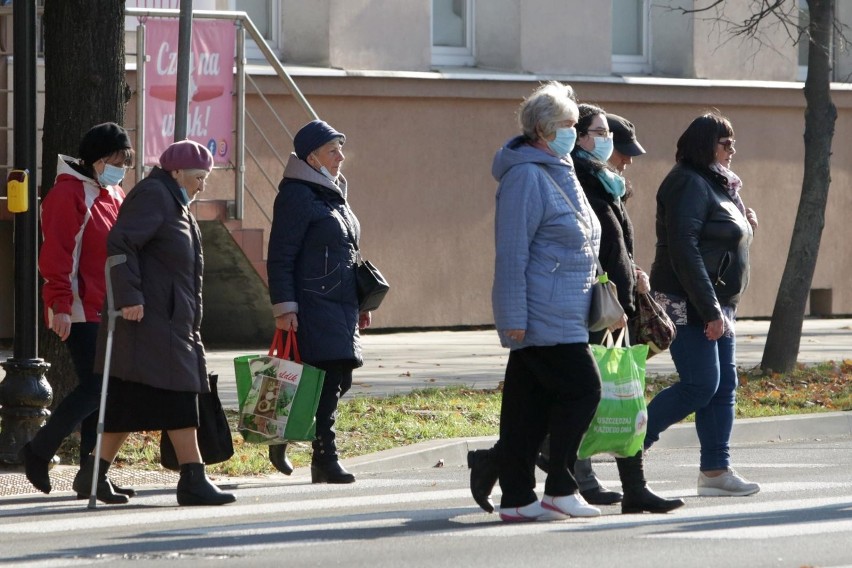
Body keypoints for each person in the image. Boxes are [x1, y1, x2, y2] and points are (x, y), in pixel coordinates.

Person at [469, 81, 613, 522]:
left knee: (526, 410)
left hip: (565, 309)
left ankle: (516, 496)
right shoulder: (527, 176)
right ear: (545, 130)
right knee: (584, 390)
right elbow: (511, 252)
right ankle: (560, 488)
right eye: (570, 125)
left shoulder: (560, 169)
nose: (577, 133)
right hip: (542, 314)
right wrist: (512, 319)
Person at [75, 139, 236, 507]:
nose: (202, 184)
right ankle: (193, 478)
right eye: (198, 176)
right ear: (176, 171)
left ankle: (93, 474)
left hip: (166, 321)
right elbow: (120, 245)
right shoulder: (155, 196)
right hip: (151, 321)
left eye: (206, 177)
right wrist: (129, 297)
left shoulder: (175, 202)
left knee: (128, 402)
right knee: (179, 395)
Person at [566, 104, 684, 514]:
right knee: (591, 396)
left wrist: (631, 271)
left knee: (624, 393)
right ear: (582, 136)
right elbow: (585, 246)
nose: (621, 153)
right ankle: (560, 473)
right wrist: (611, 287)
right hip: (596, 307)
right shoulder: (578, 178)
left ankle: (633, 488)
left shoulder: (605, 183)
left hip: (617, 303)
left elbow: (614, 245)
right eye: (603, 135)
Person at [645, 111, 759, 497]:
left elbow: (713, 233)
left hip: (717, 300)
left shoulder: (717, 183)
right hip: (688, 301)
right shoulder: (687, 183)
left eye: (732, 144)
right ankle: (630, 442)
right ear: (704, 144)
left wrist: (742, 225)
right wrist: (709, 310)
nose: (732, 150)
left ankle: (715, 472)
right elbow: (683, 248)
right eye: (725, 143)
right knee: (700, 385)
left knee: (724, 384)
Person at [20, 122, 135, 499]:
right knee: (99, 387)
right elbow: (57, 255)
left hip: (108, 307)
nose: (121, 168)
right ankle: (40, 450)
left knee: (103, 391)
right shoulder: (67, 194)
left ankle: (92, 473)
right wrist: (60, 304)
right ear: (96, 159)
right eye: (116, 160)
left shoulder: (112, 191)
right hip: (82, 307)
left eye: (125, 161)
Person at [266, 119, 371, 484]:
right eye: (332, 150)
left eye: (340, 149)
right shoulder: (296, 195)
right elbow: (280, 255)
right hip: (312, 304)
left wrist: (363, 302)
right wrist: (285, 307)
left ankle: (285, 433)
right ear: (312, 158)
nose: (341, 156)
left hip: (342, 304)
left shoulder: (332, 193)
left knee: (340, 380)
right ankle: (325, 458)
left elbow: (347, 253)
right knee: (327, 378)